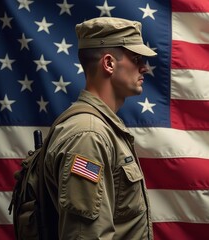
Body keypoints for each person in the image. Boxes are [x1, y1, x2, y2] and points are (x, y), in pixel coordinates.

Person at [43, 17, 157, 239]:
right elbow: (84, 235)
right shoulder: (88, 136)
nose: (144, 67)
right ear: (109, 63)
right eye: (136, 58)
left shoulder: (100, 128)